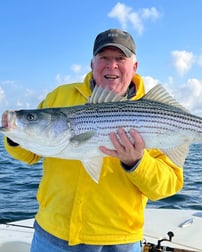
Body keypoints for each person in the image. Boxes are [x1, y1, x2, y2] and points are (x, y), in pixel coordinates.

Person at [3, 28, 188, 252]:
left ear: (134, 66)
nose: (112, 65)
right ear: (92, 64)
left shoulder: (159, 114)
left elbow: (167, 186)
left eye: (120, 58)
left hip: (119, 242)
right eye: (104, 58)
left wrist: (137, 162)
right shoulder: (59, 96)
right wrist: (15, 136)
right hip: (52, 234)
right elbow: (30, 154)